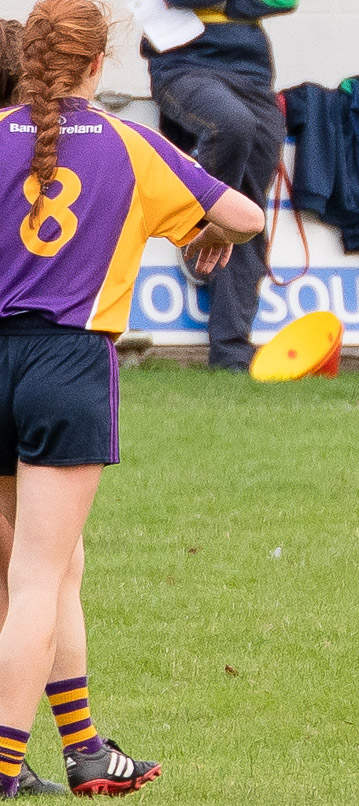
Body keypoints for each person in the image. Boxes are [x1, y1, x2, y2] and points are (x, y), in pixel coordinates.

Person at [0, 0, 264, 798]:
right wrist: (204, 232)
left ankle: (83, 751)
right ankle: (4, 767)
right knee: (38, 579)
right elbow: (244, 216)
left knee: (44, 566)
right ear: (95, 66)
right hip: (67, 364)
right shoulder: (126, 143)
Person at [141, 0, 295, 372]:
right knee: (231, 124)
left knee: (248, 213)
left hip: (252, 71)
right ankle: (202, 224)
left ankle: (231, 354)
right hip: (182, 66)